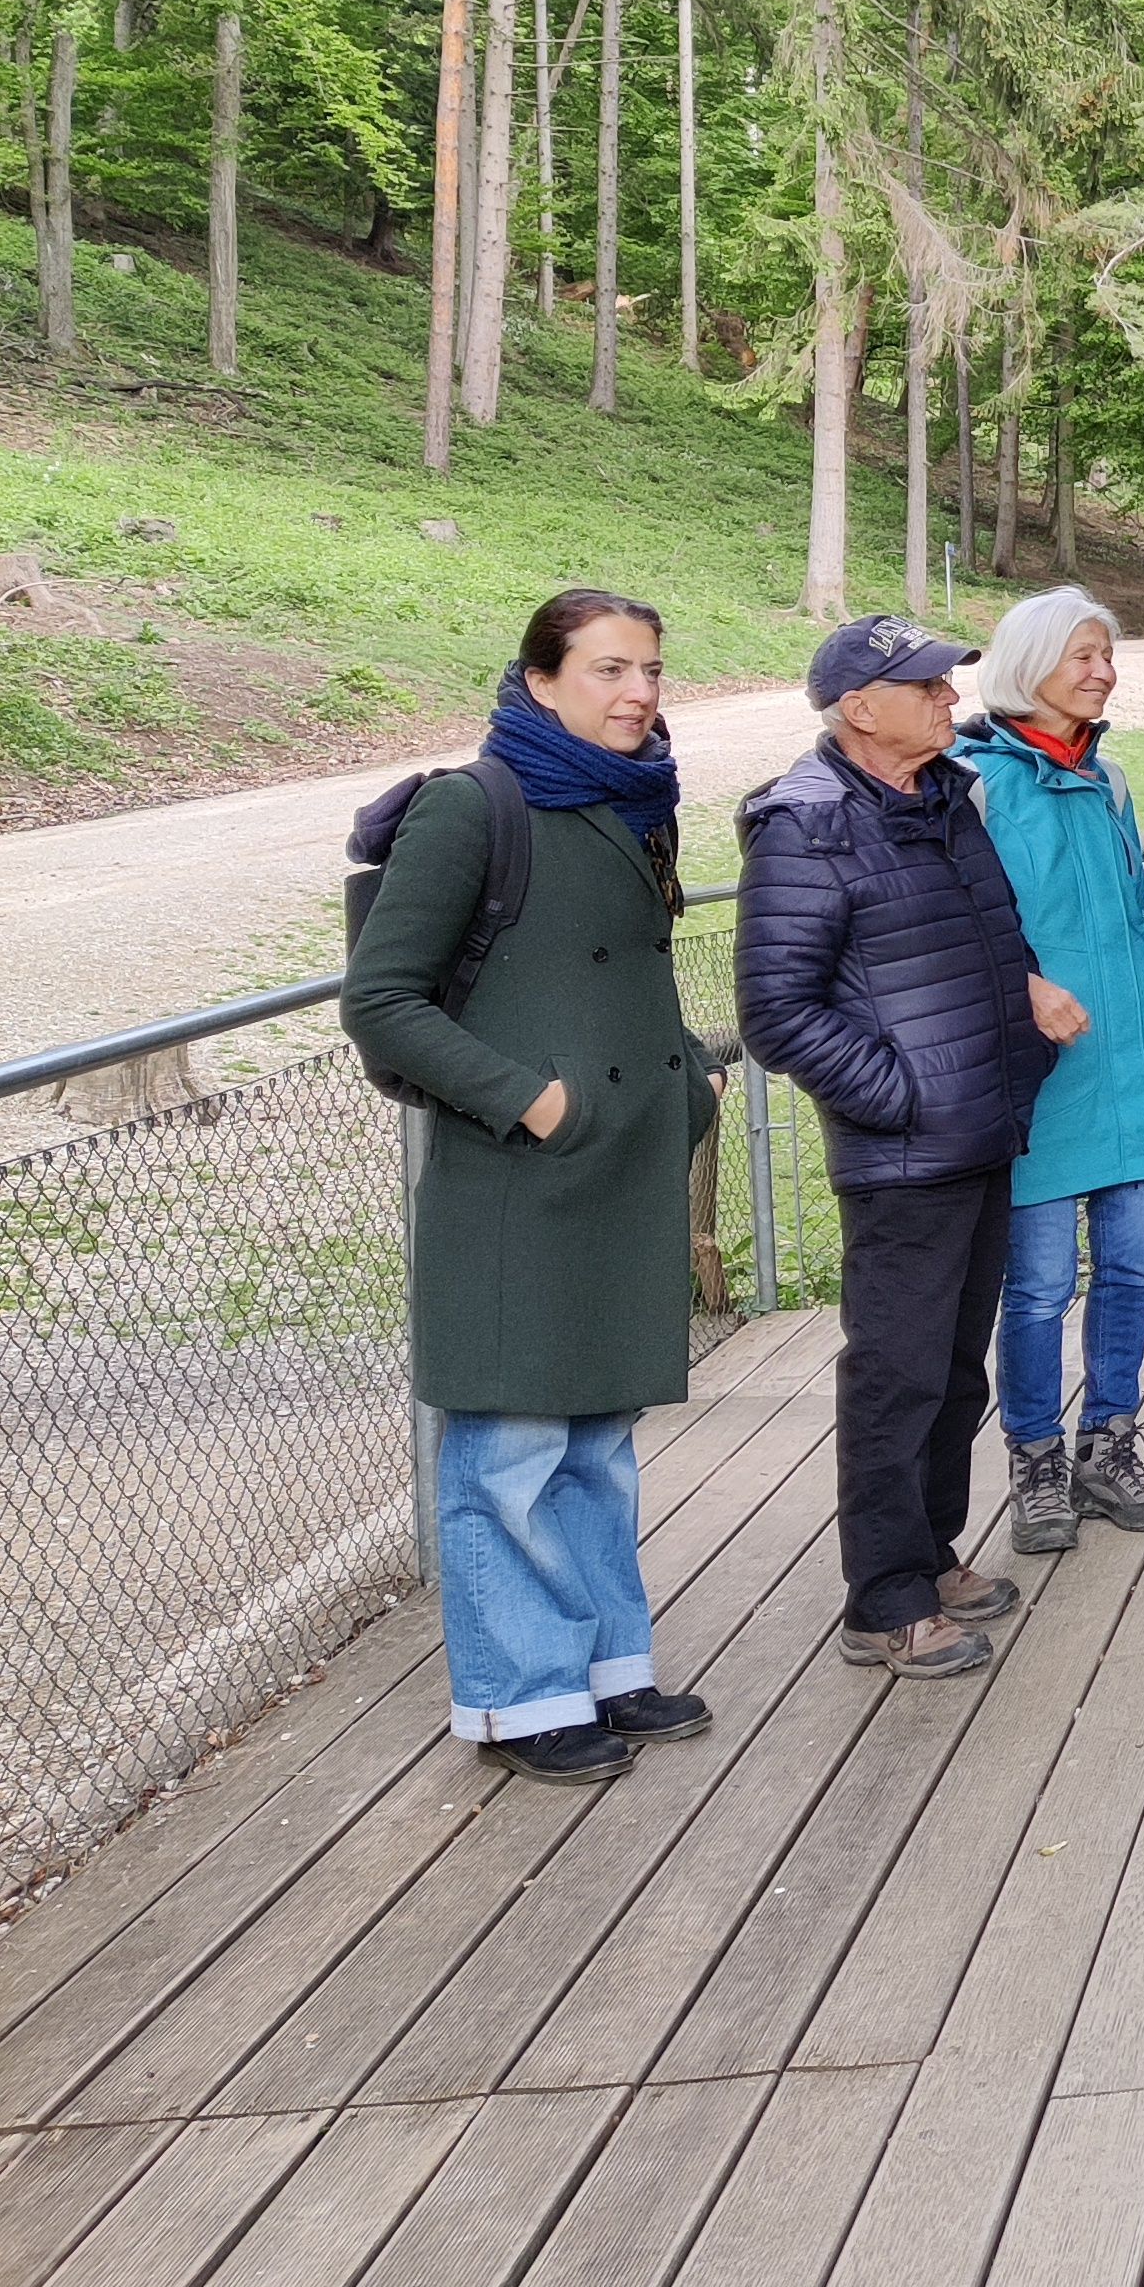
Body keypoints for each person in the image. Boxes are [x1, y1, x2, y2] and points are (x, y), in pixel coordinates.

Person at [341, 589, 715, 1784]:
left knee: (596, 1437)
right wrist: (530, 1100)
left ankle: (607, 1667)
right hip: (517, 1176)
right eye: (610, 670)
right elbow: (381, 1000)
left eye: (650, 670)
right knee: (508, 1448)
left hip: (619, 1166)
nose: (640, 693)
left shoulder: (633, 803)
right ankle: (517, 1697)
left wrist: (686, 1090)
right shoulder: (471, 807)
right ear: (541, 681)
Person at [738, 616, 1062, 1679]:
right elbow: (777, 1013)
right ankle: (883, 1602)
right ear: (857, 708)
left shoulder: (944, 799)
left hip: (982, 1129)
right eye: (922, 684)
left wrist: (1021, 1025)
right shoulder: (807, 824)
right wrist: (907, 1096)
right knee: (897, 1376)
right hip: (906, 1152)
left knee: (953, 1369)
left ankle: (929, 1555)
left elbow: (984, 940)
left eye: (944, 680)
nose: (946, 697)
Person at [958, 589, 1144, 1560]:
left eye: (1108, 655)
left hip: (1131, 1074)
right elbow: (947, 930)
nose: (1103, 670)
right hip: (1040, 1081)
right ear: (1028, 662)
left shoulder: (1111, 783)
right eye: (1083, 655)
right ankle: (1035, 1462)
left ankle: (1110, 1446)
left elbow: (1138, 919)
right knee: (1038, 1289)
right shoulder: (971, 781)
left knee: (1136, 1268)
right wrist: (1020, 989)